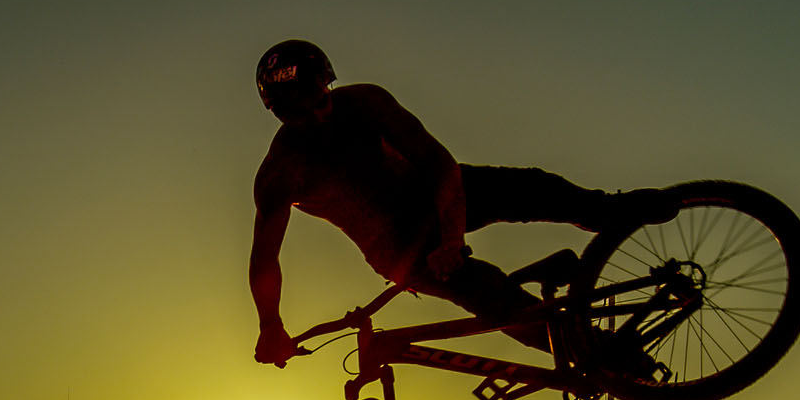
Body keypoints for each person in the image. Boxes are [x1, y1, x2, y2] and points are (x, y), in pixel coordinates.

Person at [249, 39, 678, 368]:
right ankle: (601, 354)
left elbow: (439, 164)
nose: (318, 117)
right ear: (279, 115)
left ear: (328, 86)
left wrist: (452, 239)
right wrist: (271, 326)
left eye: (321, 101)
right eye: (300, 114)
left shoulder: (366, 103)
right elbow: (265, 259)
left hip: (432, 189)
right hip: (396, 247)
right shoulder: (280, 173)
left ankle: (608, 211)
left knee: (533, 188)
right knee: (494, 300)